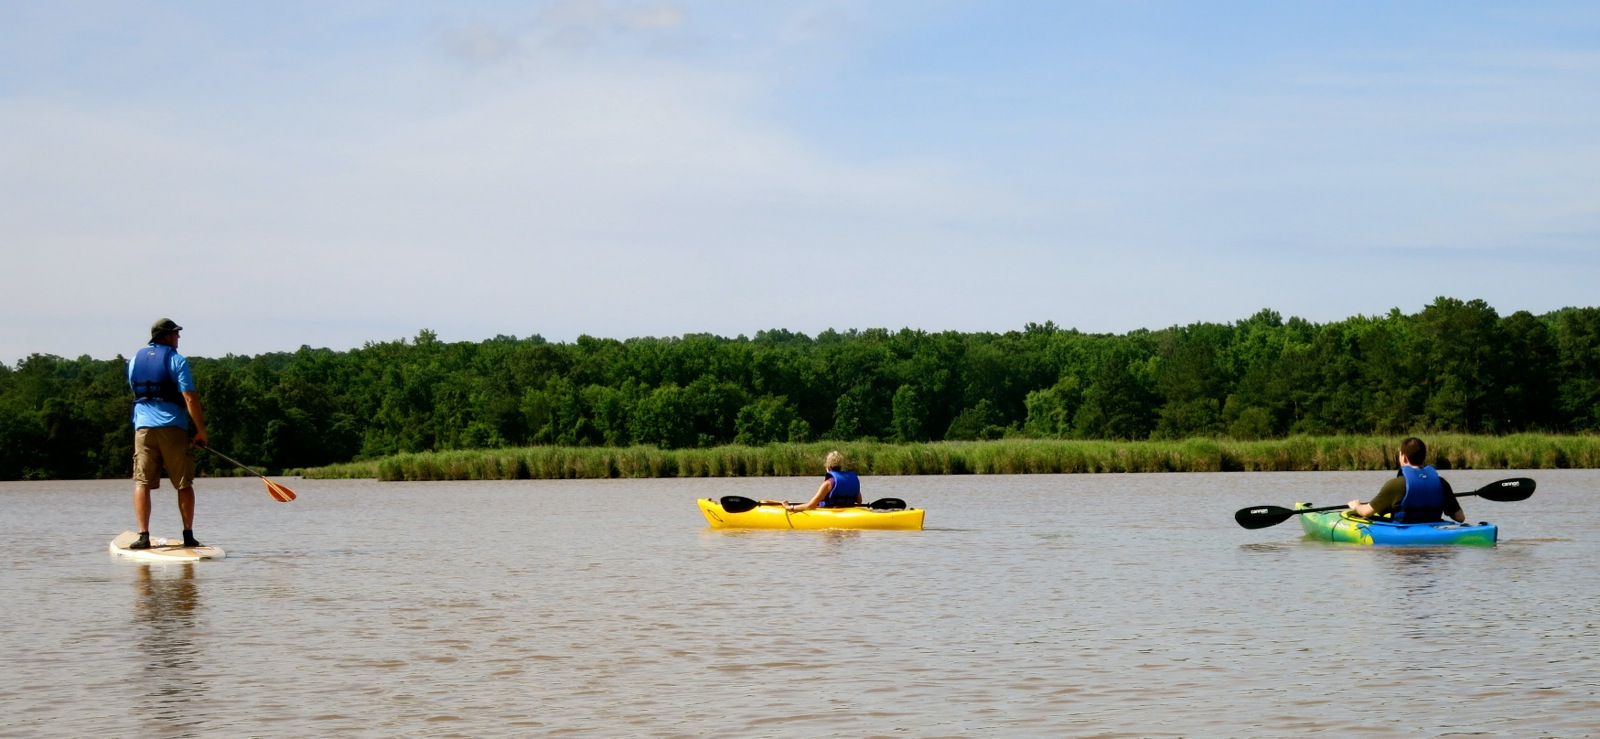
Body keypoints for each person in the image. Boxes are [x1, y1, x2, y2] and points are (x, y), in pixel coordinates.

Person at [127, 318, 209, 549]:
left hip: (143, 429)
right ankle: (188, 536)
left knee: (142, 482)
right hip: (173, 427)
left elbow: (136, 391)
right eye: (175, 334)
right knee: (183, 483)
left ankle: (143, 536)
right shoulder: (177, 361)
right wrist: (200, 431)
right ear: (165, 336)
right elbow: (190, 397)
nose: (178, 338)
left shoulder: (134, 361)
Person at [1347, 437, 1465, 523]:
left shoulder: (1396, 485)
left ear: (1404, 457)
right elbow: (1460, 518)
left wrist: (1357, 506)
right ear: (1423, 457)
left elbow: (1366, 512)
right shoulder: (1441, 483)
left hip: (1405, 536)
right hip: (1434, 532)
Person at [786, 450, 861, 512]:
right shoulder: (851, 480)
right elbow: (859, 501)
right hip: (849, 512)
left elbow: (810, 506)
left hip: (831, 513)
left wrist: (790, 507)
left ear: (828, 466)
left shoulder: (828, 484)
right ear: (840, 466)